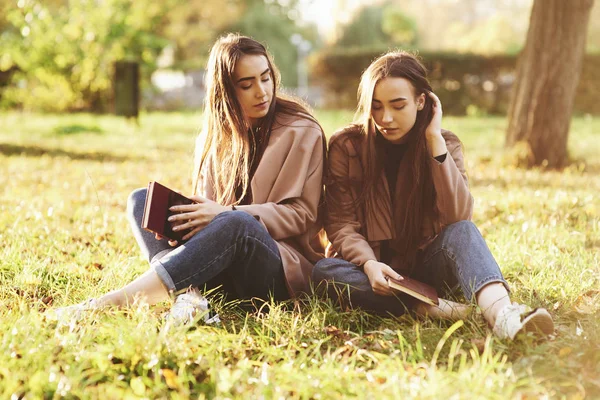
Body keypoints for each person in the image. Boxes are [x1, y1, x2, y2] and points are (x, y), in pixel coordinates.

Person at [55, 34, 326, 324]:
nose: (262, 92)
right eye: (246, 85)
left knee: (237, 224)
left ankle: (114, 302)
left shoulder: (302, 131)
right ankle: (191, 297)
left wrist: (225, 213)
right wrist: (184, 228)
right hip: (219, 262)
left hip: (275, 270)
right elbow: (206, 210)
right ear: (226, 92)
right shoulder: (215, 137)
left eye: (266, 78)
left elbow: (303, 216)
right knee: (141, 200)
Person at [311, 51, 554, 340]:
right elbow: (341, 224)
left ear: (421, 101)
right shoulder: (347, 146)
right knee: (325, 272)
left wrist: (434, 143)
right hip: (367, 270)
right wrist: (368, 262)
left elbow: (458, 216)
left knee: (463, 231)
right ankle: (438, 308)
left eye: (398, 105)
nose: (385, 118)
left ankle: (503, 314)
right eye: (376, 107)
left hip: (428, 265)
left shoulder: (445, 143)